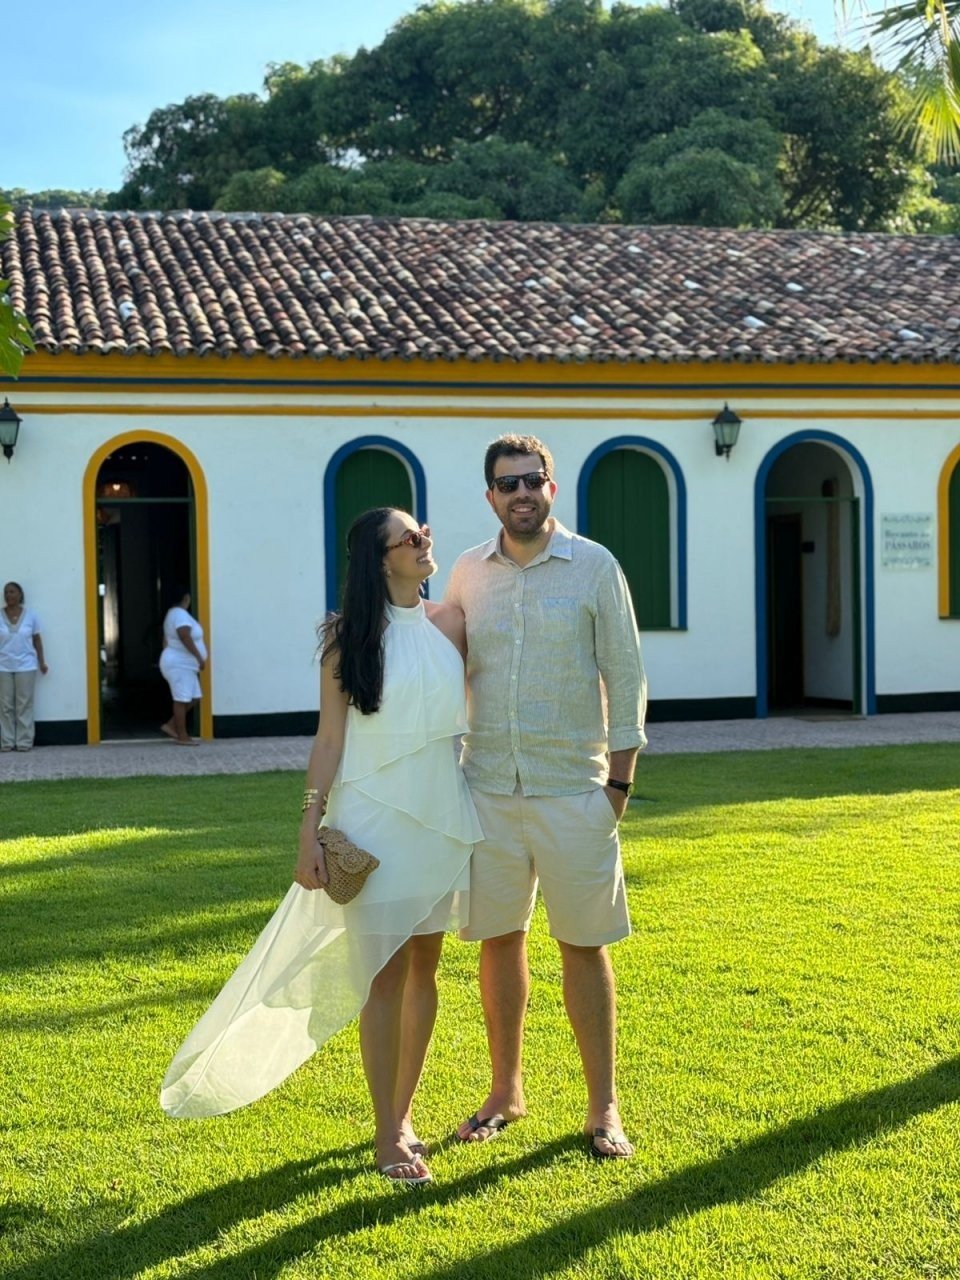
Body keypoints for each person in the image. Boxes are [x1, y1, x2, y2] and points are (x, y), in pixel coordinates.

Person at [161, 509, 481, 1187]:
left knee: (424, 971)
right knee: (383, 978)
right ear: (380, 559)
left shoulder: (452, 622)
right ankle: (387, 1131)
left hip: (441, 818)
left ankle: (405, 1112)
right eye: (410, 538)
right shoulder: (345, 641)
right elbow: (330, 740)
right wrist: (309, 828)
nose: (425, 541)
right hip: (370, 822)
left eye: (424, 530)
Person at [444, 433, 647, 1160]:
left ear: (551, 489)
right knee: (499, 940)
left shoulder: (595, 566)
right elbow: (441, 666)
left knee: (583, 946)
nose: (521, 492)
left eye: (533, 480)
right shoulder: (467, 573)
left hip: (574, 790)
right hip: (488, 789)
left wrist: (618, 784)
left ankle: (603, 1108)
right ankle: (506, 1091)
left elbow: (626, 674)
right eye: (508, 483)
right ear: (490, 496)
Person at [0, 581, 49, 752]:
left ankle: (24, 741)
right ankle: (6, 742)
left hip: (26, 665)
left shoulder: (31, 616)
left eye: (12, 592)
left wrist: (42, 662)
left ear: (20, 594)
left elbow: (37, 640)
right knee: (5, 705)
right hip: (3, 666)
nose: (9, 595)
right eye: (6, 592)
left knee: (24, 704)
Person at [159, 586, 207, 745]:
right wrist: (199, 657)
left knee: (194, 697)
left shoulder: (173, 614)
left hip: (183, 664)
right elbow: (184, 635)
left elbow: (166, 640)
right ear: (186, 598)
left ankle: (171, 725)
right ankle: (182, 736)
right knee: (181, 699)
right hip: (180, 665)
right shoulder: (180, 614)